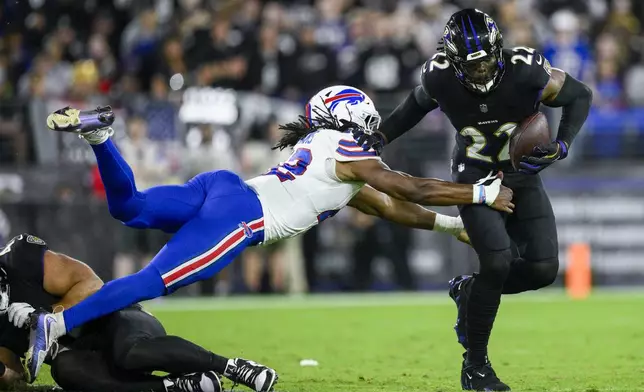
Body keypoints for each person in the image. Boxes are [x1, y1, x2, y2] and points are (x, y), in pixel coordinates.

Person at [26, 85, 515, 383]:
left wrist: (453, 228)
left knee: (129, 207)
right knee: (153, 281)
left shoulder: (327, 155)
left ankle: (100, 138)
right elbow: (409, 187)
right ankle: (57, 325)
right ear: (354, 118)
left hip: (223, 188)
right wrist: (478, 195)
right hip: (240, 215)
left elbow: (390, 205)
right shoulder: (343, 150)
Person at [351, 9, 592, 392]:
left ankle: (468, 291)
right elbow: (414, 106)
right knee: (496, 262)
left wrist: (562, 145)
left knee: (543, 270)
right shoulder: (440, 76)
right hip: (474, 175)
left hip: (522, 175)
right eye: (471, 66)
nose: (481, 72)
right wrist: (380, 137)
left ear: (499, 49)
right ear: (453, 59)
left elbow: (580, 94)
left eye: (486, 63)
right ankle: (475, 366)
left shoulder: (526, 70)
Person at [0, 234, 276, 392]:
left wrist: (48, 316)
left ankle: (232, 367)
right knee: (66, 371)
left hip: (120, 321)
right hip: (88, 359)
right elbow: (17, 378)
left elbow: (92, 284)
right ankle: (175, 387)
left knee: (128, 354)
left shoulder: (21, 259)